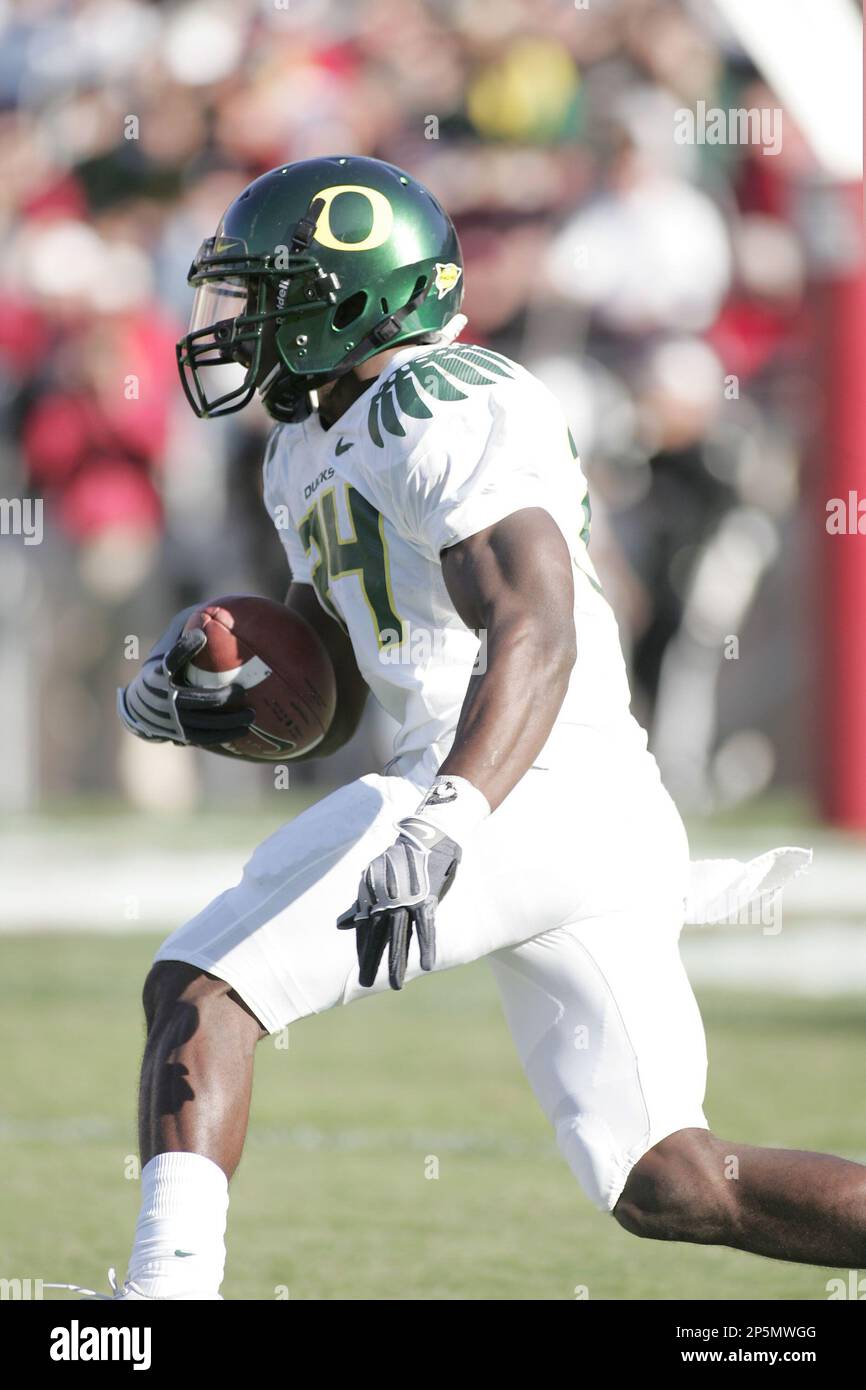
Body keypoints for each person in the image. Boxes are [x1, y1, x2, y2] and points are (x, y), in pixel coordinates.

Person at [103, 157, 862, 1300]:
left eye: (272, 294)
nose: (243, 323)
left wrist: (451, 811)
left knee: (201, 991)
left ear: (349, 298)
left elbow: (535, 624)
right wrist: (213, 695)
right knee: (674, 1181)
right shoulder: (307, 444)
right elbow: (338, 688)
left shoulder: (442, 400)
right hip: (568, 805)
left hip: (516, 782)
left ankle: (161, 1302)